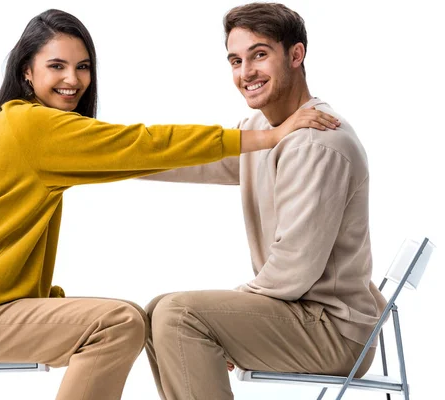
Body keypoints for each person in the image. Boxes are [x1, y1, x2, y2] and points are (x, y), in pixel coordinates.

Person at [0, 8, 339, 400]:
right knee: (117, 323)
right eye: (56, 66)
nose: (72, 80)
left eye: (82, 67)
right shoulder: (28, 125)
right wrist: (266, 136)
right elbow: (141, 144)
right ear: (27, 72)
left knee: (130, 316)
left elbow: (143, 153)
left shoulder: (28, 125)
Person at [143, 3, 387, 400]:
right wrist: (109, 158)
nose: (245, 73)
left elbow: (294, 269)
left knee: (179, 315)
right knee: (158, 311)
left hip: (333, 331)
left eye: (259, 55)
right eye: (236, 60)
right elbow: (200, 160)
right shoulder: (264, 130)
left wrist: (223, 321)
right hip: (299, 314)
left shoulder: (317, 142)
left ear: (296, 55)